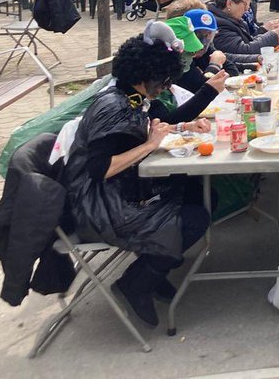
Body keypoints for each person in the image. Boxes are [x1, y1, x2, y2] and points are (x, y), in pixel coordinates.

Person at [64, 26, 211, 327]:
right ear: (148, 75)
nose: (166, 85)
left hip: (116, 192)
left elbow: (146, 129)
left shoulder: (128, 95)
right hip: (98, 205)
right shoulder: (113, 106)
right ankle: (136, 281)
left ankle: (156, 269)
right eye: (163, 79)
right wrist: (150, 145)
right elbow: (100, 168)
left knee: (198, 190)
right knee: (194, 217)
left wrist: (183, 128)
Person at [209, 0, 279, 61]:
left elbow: (247, 41)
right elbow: (244, 50)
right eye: (245, 4)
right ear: (229, 4)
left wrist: (263, 30)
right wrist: (273, 36)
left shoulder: (228, 17)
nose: (247, 9)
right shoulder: (218, 26)